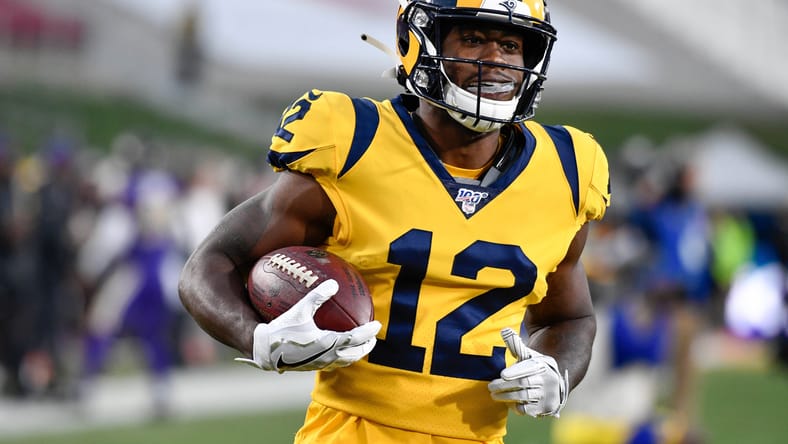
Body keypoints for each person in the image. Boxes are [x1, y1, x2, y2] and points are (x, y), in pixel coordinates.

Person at [178, 1, 611, 442]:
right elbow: (210, 265)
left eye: (511, 45)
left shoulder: (566, 171)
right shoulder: (357, 143)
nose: (497, 60)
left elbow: (570, 318)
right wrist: (257, 338)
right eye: (474, 39)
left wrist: (557, 372)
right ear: (419, 42)